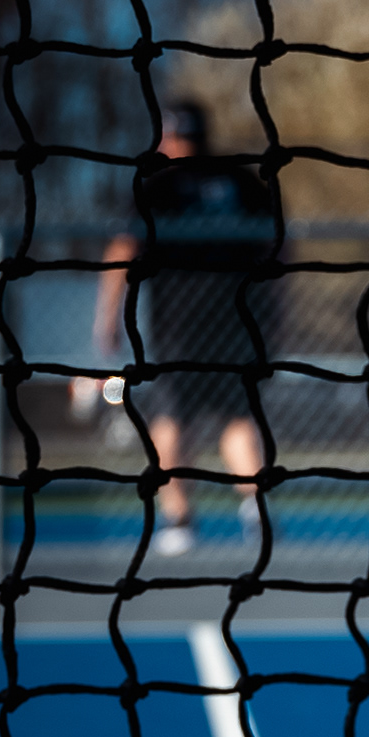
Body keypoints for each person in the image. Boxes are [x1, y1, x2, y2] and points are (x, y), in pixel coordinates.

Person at [94, 102, 278, 557]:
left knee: (173, 421)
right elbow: (277, 247)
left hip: (181, 328)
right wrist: (276, 310)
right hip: (238, 322)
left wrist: (106, 319)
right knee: (237, 418)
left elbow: (124, 247)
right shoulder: (241, 179)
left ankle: (181, 521)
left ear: (169, 138)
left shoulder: (159, 183)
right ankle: (255, 510)